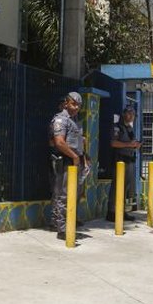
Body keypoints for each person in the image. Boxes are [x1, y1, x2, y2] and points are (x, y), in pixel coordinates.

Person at [49, 92, 89, 239]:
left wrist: (82, 158)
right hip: (65, 161)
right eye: (73, 104)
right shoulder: (61, 119)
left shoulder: (74, 121)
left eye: (79, 105)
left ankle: (69, 225)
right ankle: (62, 229)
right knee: (63, 196)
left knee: (73, 195)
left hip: (75, 162)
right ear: (66, 103)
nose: (76, 107)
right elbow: (59, 142)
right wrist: (73, 156)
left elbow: (77, 144)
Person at [106, 105, 140, 221]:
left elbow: (131, 143)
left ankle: (122, 211)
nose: (131, 116)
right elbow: (114, 143)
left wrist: (135, 145)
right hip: (119, 161)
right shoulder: (117, 128)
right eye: (129, 114)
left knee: (125, 188)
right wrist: (129, 145)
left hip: (129, 160)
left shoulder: (129, 129)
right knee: (117, 187)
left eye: (133, 115)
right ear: (125, 114)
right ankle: (111, 212)